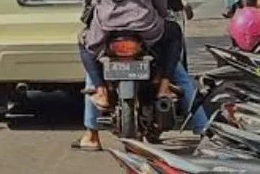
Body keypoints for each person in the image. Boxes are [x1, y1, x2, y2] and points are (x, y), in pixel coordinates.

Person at [75, 62, 208, 151]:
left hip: (110, 38)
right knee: (181, 78)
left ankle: (92, 135)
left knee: (93, 73)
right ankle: (204, 130)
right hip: (147, 40)